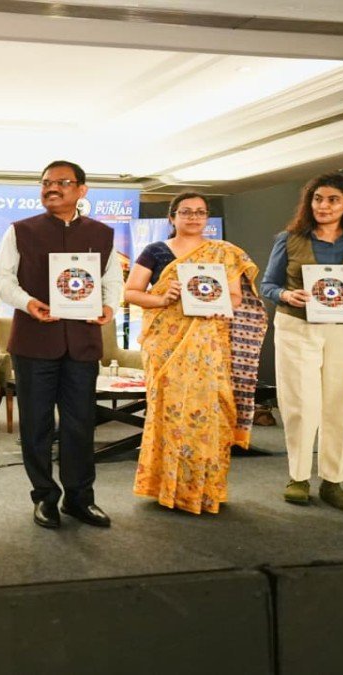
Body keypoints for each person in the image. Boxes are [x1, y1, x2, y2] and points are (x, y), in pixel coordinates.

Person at [0, 160, 121, 530]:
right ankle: (45, 498)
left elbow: (112, 280)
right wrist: (27, 302)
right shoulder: (21, 230)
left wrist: (109, 306)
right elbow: (1, 279)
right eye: (46, 182)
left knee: (81, 425)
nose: (52, 188)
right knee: (36, 426)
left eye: (62, 182)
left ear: (82, 190)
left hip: (82, 344)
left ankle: (80, 499)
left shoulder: (102, 233)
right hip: (34, 342)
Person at [125, 193, 267, 514]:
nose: (193, 217)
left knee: (208, 413)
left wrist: (219, 304)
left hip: (209, 344)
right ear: (172, 217)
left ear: (207, 218)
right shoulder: (155, 251)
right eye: (186, 212)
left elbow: (235, 297)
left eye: (200, 212)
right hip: (166, 346)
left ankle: (203, 490)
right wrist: (162, 299)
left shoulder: (223, 253)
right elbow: (131, 292)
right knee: (170, 413)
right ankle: (167, 488)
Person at [261, 173, 343, 511]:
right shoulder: (288, 239)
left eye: (333, 200)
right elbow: (268, 285)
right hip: (297, 326)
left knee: (341, 404)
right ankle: (298, 477)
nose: (324, 206)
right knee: (300, 403)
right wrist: (286, 294)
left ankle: (334, 482)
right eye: (318, 199)